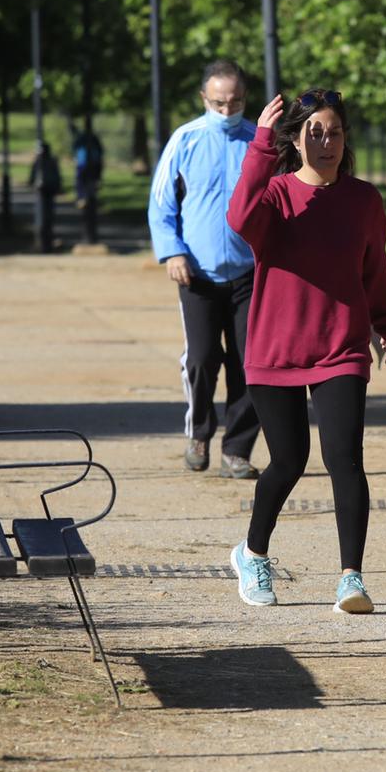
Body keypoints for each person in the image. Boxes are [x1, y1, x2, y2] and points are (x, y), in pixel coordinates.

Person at [225, 89, 386, 615]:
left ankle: (352, 578)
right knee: (288, 460)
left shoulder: (364, 199)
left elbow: (374, 270)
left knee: (345, 460)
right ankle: (253, 553)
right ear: (297, 138)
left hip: (342, 346)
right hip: (276, 347)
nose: (327, 143)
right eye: (315, 133)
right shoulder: (276, 195)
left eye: (335, 132)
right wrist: (261, 142)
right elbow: (239, 219)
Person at [148, 60, 263, 479]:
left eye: (234, 101)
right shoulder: (185, 139)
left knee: (251, 362)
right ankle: (199, 432)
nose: (226, 109)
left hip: (250, 274)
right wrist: (172, 253)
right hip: (196, 272)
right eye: (218, 102)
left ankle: (238, 448)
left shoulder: (259, 142)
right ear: (204, 99)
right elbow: (161, 206)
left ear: (245, 99)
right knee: (201, 358)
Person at [27, 141, 62, 252]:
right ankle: (42, 243)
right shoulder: (38, 163)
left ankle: (48, 243)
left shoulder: (50, 162)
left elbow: (57, 177)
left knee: (48, 219)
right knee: (41, 220)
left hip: (49, 192)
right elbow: (32, 179)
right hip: (41, 193)